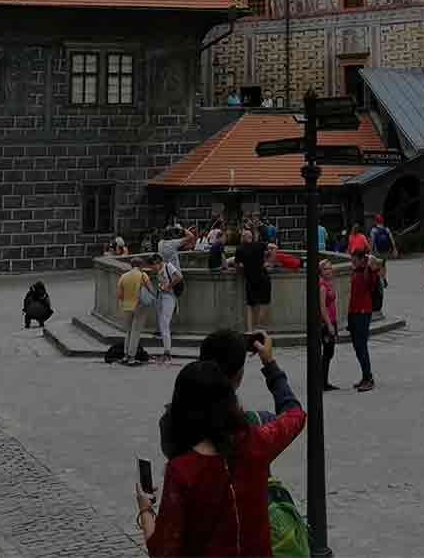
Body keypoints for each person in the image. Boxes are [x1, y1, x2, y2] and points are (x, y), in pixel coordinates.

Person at [141, 333, 306, 556]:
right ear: (236, 380)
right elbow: (295, 415)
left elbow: (162, 550)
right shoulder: (257, 440)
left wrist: (145, 510)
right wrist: (270, 364)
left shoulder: (182, 470)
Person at [347, 249, 378, 392]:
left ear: (361, 259)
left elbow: (373, 282)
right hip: (354, 313)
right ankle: (365, 376)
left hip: (363, 312)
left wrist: (372, 266)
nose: (352, 261)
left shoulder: (367, 272)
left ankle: (369, 378)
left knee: (361, 346)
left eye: (354, 258)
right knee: (357, 346)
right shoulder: (357, 270)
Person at [233, 228, 272, 335]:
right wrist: (269, 262)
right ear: (252, 237)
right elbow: (273, 247)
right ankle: (258, 328)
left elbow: (237, 265)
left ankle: (249, 330)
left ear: (243, 238)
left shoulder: (240, 248)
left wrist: (241, 267)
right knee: (264, 304)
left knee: (250, 305)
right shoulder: (259, 245)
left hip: (250, 279)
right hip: (263, 278)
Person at [116, 257, 154, 365]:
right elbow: (150, 290)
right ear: (140, 265)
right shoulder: (143, 275)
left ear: (131, 265)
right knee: (135, 332)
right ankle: (132, 357)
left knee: (128, 332)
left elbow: (119, 295)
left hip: (126, 307)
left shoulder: (123, 276)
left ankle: (125, 355)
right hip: (139, 306)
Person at [156, 234, 184, 363]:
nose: (152, 268)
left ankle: (167, 352)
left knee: (165, 324)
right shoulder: (160, 269)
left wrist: (168, 285)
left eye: (153, 266)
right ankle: (166, 351)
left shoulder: (168, 266)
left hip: (169, 297)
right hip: (163, 297)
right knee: (163, 324)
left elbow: (178, 277)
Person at [319, 259, 340, 391]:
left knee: (329, 353)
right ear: (321, 271)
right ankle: (322, 382)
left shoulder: (329, 283)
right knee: (327, 352)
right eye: (326, 269)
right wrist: (329, 325)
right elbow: (322, 307)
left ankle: (323, 381)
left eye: (330, 268)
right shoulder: (322, 286)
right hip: (327, 323)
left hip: (332, 320)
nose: (329, 271)